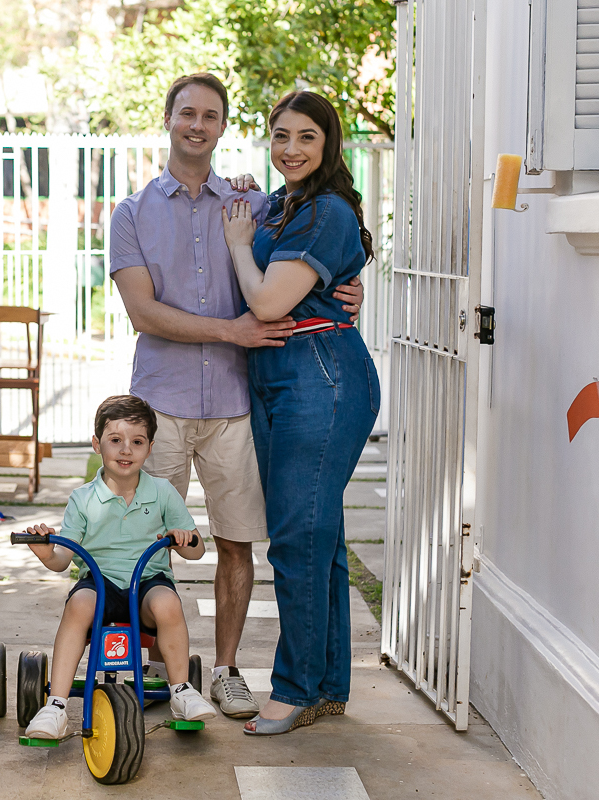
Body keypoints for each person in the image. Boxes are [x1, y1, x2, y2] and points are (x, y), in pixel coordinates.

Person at [108, 72, 365, 718]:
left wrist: (352, 292)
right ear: (167, 119)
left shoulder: (250, 207)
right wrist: (236, 329)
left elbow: (316, 261)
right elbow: (143, 313)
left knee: (239, 542)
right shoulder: (132, 214)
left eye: (210, 115)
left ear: (223, 126)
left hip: (234, 401)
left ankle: (225, 671)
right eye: (186, 113)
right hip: (160, 403)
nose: (197, 125)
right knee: (142, 541)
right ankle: (150, 668)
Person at [221, 91, 381, 735]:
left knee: (296, 537)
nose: (291, 148)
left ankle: (292, 688)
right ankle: (326, 685)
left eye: (306, 137)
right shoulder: (291, 205)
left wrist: (237, 242)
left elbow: (264, 303)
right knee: (320, 536)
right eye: (280, 134)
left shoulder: (325, 211)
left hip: (320, 376)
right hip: (284, 375)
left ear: (329, 144)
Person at [21, 395, 216, 740]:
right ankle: (56, 705)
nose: (126, 450)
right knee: (78, 605)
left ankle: (182, 690)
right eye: (116, 441)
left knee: (168, 603)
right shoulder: (82, 499)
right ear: (98, 444)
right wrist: (45, 551)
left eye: (137, 442)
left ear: (149, 448)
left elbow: (197, 552)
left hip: (147, 582)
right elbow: (62, 559)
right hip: (100, 582)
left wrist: (185, 538)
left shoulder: (163, 492)